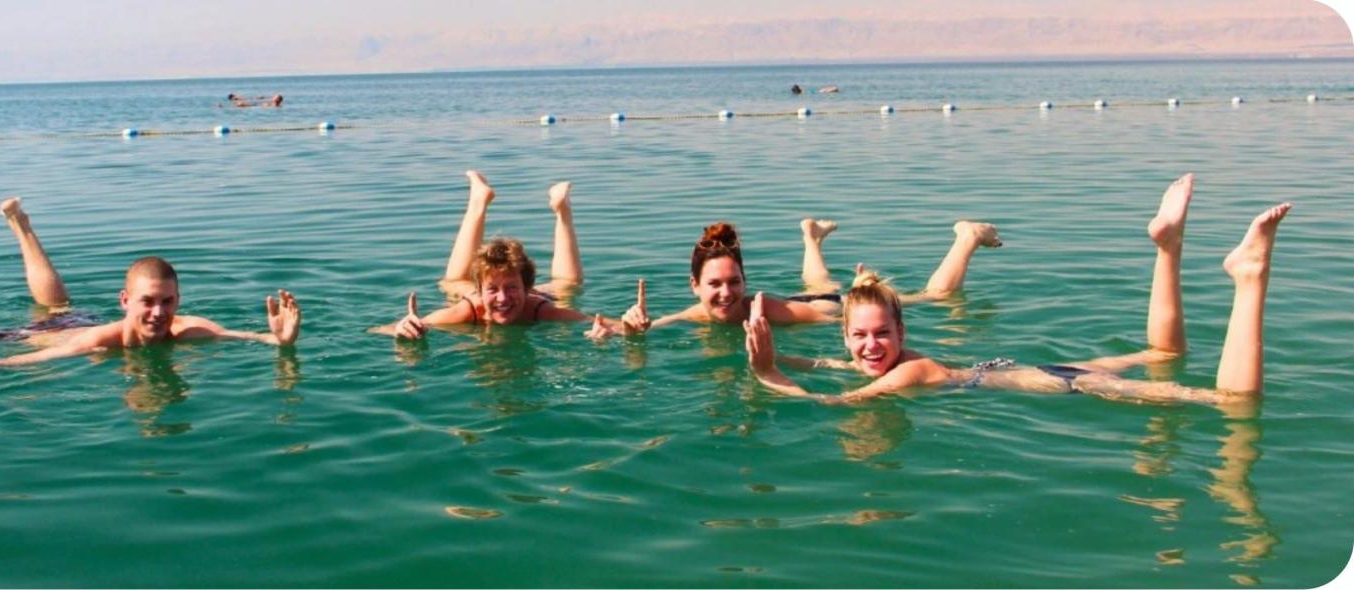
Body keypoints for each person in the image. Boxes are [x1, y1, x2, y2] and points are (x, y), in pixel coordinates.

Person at [745, 174, 1291, 407]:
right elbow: (829, 367)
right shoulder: (881, 363)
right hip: (1030, 369)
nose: (871, 346)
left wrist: (769, 374)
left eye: (881, 334)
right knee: (1163, 354)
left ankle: (1249, 278)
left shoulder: (905, 373)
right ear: (845, 338)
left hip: (1060, 384)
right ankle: (1168, 248)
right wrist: (781, 355)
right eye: (861, 337)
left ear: (901, 332)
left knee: (1230, 403)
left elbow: (833, 403)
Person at [0, 197, 300, 383]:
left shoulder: (189, 329)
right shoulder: (98, 343)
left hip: (73, 320)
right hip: (52, 335)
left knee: (57, 304)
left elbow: (242, 337)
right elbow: (28, 361)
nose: (158, 313)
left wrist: (276, 340)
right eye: (147, 302)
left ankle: (21, 225)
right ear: (125, 302)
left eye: (167, 302)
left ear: (179, 301)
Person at [374, 170, 645, 339]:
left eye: (512, 288)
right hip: (477, 294)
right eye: (492, 290)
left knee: (566, 286)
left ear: (527, 289)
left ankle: (562, 211)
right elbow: (381, 329)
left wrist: (629, 326)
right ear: (480, 291)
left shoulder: (539, 308)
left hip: (533, 296)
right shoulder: (467, 310)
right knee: (454, 284)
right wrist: (403, 327)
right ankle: (479, 202)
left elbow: (610, 324)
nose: (503, 298)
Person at [645, 218, 1001, 329]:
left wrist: (862, 297)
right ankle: (811, 235)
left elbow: (828, 319)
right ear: (695, 286)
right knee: (817, 284)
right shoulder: (697, 313)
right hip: (811, 299)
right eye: (714, 284)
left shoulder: (764, 310)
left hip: (832, 308)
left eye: (733, 282)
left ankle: (967, 237)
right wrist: (628, 325)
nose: (725, 293)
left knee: (935, 298)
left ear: (745, 281)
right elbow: (644, 326)